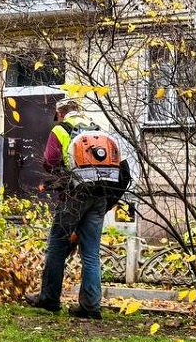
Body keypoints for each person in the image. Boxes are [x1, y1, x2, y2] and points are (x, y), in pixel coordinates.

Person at [24, 98, 128, 319]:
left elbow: (49, 162)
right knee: (90, 252)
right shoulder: (98, 130)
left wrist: (62, 176)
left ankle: (49, 299)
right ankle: (91, 306)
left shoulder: (61, 130)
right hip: (100, 194)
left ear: (60, 114)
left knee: (57, 246)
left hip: (74, 194)